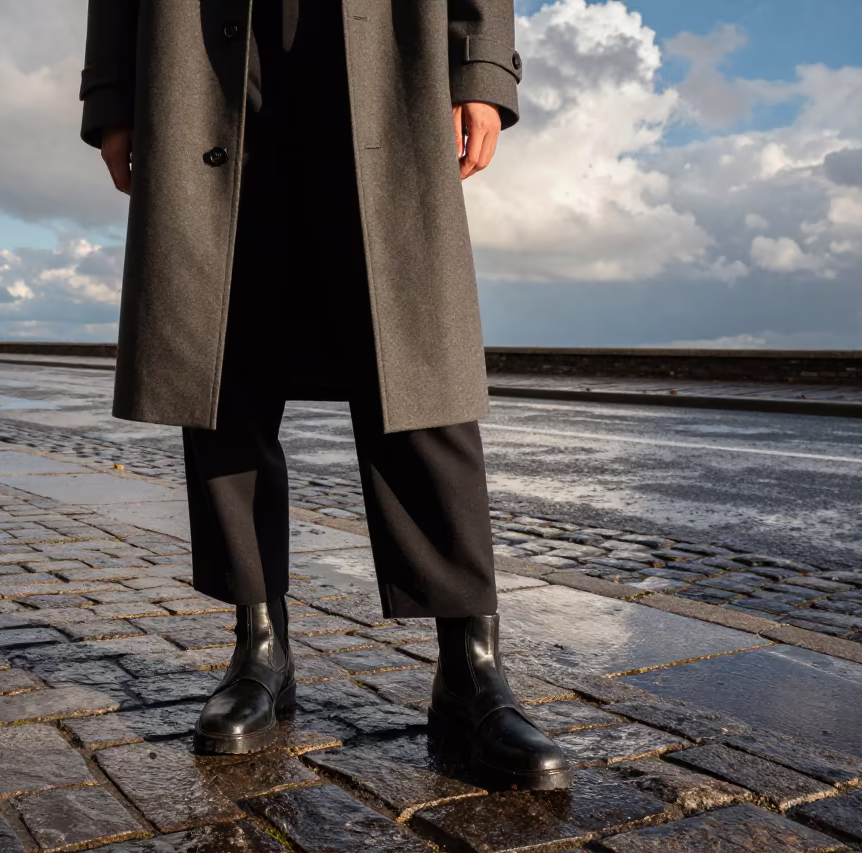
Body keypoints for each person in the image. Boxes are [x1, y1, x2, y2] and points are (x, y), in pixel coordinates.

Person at [80, 0, 571, 791]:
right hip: (203, 50)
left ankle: (471, 669)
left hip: (386, 45)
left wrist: (479, 64)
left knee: (418, 365)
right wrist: (111, 94)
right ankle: (258, 651)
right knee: (224, 355)